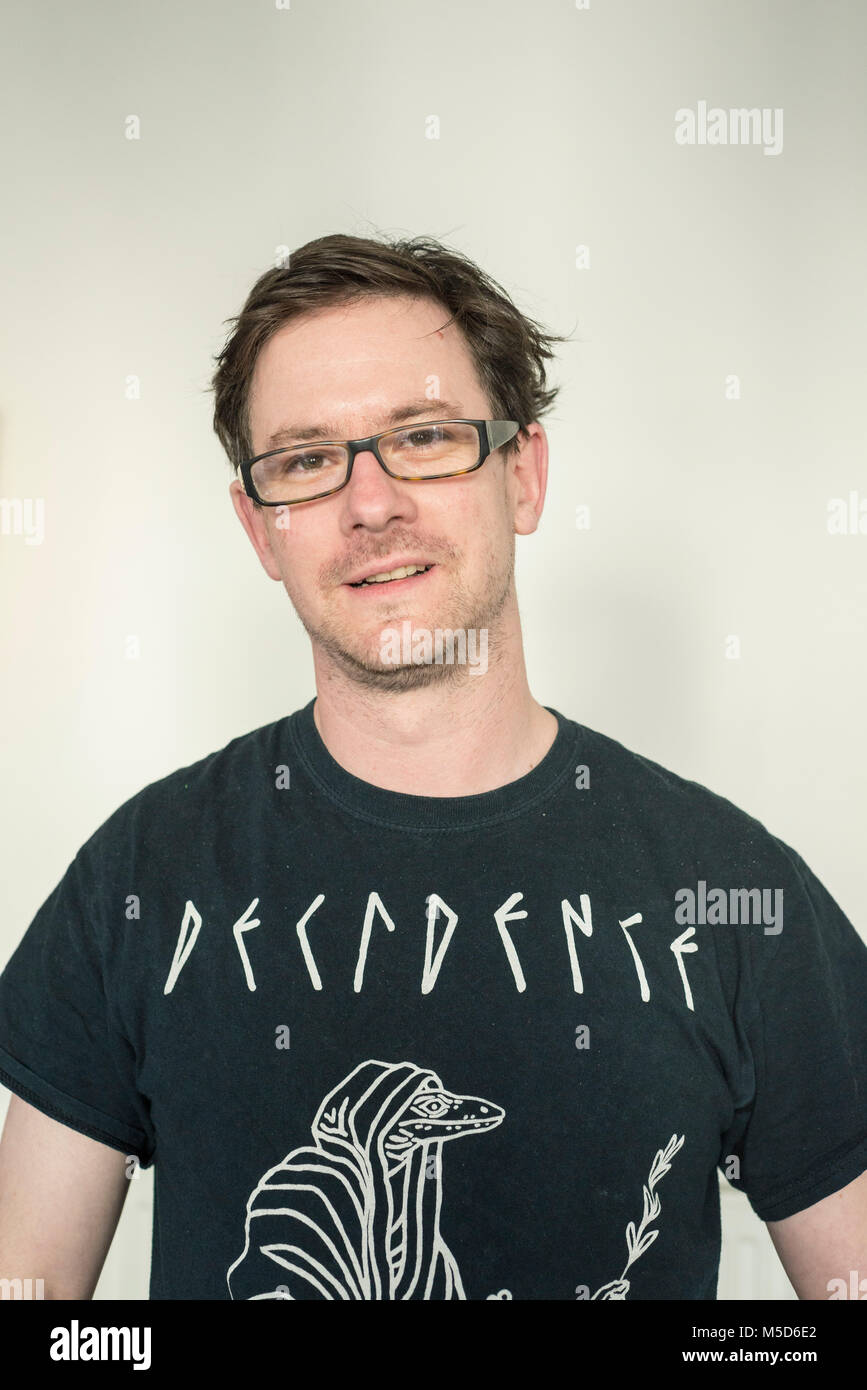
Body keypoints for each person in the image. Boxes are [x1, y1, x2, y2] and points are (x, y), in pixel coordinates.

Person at [1, 233, 865, 1302]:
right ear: (260, 528)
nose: (371, 505)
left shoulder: (734, 893)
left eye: (422, 438)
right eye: (307, 460)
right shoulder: (140, 878)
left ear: (524, 474)